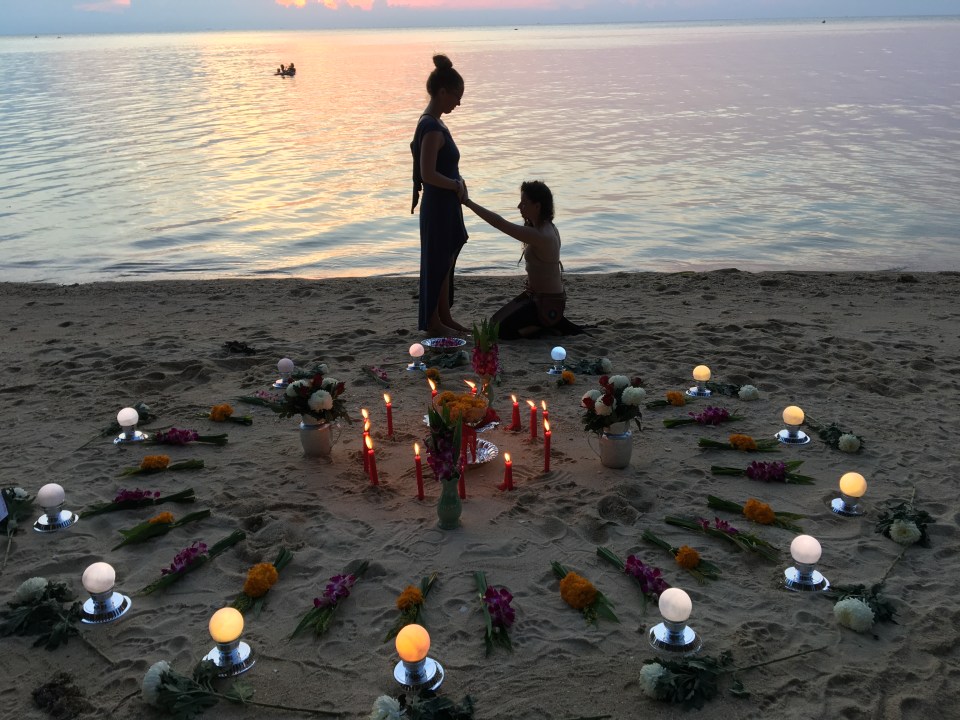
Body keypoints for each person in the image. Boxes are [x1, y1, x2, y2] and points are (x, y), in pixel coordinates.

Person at [462, 181, 583, 339]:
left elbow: (499, 223)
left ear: (537, 206)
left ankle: (545, 327)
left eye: (524, 203)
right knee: (494, 322)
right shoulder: (543, 228)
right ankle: (547, 324)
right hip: (537, 297)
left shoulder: (542, 235)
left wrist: (467, 202)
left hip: (547, 304)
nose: (519, 206)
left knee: (499, 332)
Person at [410, 54, 468, 336]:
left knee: (446, 260)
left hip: (446, 203)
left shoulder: (436, 123)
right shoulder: (431, 127)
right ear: (442, 92)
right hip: (438, 205)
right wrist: (455, 185)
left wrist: (457, 183)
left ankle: (444, 316)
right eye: (457, 96)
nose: (458, 103)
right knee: (437, 261)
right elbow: (428, 174)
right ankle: (434, 322)